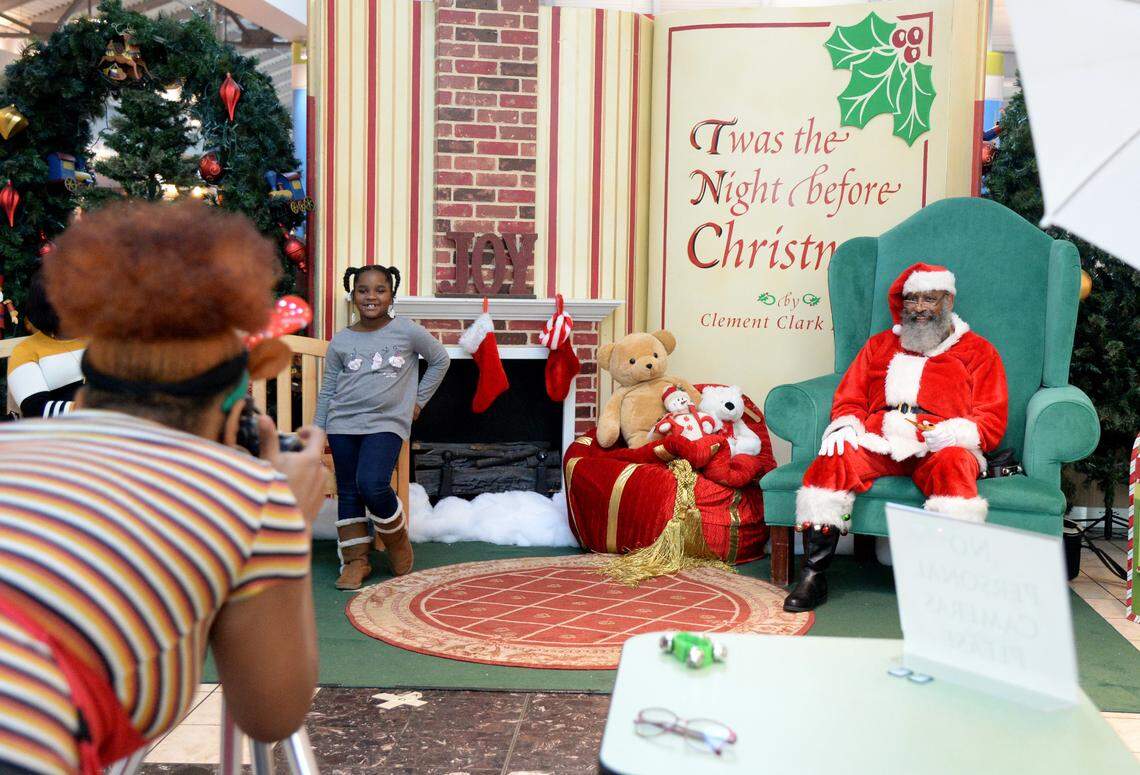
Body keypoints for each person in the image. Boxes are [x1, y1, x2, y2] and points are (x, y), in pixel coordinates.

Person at [0, 202, 326, 775]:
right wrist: (286, 521)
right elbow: (272, 714)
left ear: (86, 391)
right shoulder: (246, 497)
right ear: (233, 407)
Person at [784, 262, 1008, 612]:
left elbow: (991, 419)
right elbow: (851, 397)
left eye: (929, 299)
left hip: (939, 446)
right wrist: (846, 425)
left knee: (954, 464)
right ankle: (814, 575)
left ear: (948, 300)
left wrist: (955, 432)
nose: (919, 308)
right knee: (833, 458)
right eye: (912, 299)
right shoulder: (879, 345)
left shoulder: (979, 352)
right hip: (881, 440)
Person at [315, 264, 450, 590]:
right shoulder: (342, 340)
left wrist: (417, 402)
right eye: (363, 290)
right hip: (343, 423)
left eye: (380, 290)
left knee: (372, 483)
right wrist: (319, 429)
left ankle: (396, 538)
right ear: (353, 295)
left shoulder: (406, 330)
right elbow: (329, 387)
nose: (371, 296)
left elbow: (440, 360)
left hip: (386, 423)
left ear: (391, 294)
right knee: (349, 490)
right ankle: (355, 561)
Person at [6, 267, 85, 418]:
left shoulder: (100, 338)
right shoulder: (25, 351)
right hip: (63, 430)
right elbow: (35, 409)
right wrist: (94, 411)